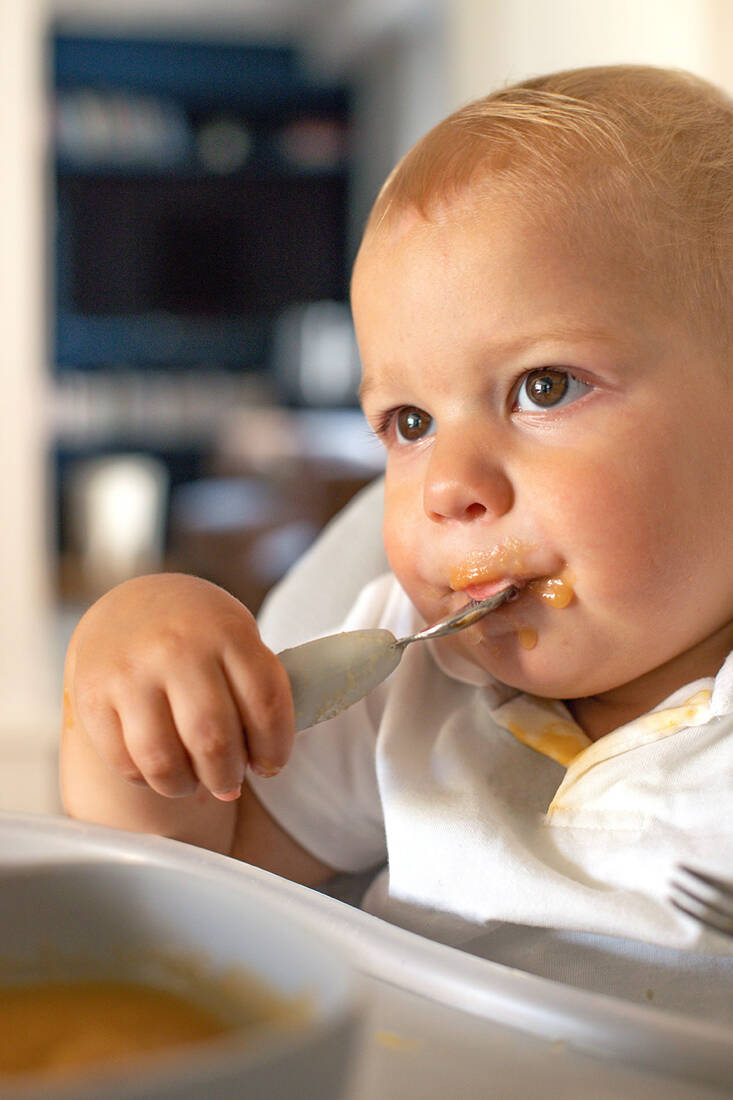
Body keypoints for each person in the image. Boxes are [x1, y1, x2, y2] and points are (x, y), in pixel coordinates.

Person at [61, 65, 733, 962]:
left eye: (544, 386)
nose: (445, 482)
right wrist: (136, 685)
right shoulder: (403, 686)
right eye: (408, 423)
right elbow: (189, 875)